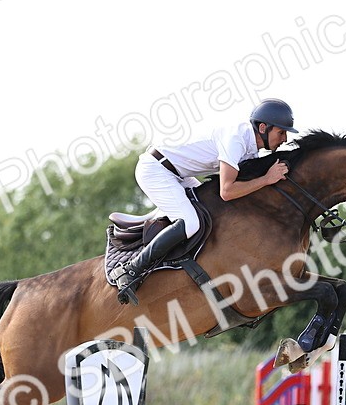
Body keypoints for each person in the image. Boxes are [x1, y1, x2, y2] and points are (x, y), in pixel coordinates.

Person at [113, 98, 298, 304]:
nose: (284, 138)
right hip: (156, 170)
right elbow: (227, 191)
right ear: (263, 128)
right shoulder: (236, 139)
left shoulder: (250, 146)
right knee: (191, 223)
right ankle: (130, 269)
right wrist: (266, 179)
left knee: (210, 212)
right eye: (281, 132)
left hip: (177, 173)